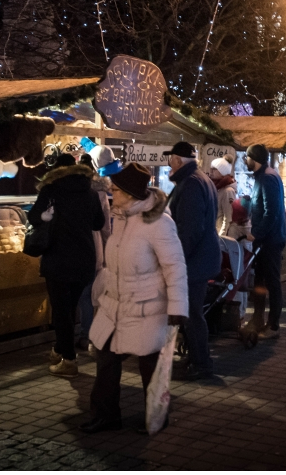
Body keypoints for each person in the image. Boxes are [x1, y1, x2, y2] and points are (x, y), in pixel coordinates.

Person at [79, 163, 188, 434]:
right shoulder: (120, 218)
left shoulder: (159, 223)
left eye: (115, 189)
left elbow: (175, 266)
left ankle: (157, 416)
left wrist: (177, 308)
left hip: (146, 308)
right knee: (105, 359)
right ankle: (105, 415)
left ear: (130, 193)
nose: (111, 193)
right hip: (115, 306)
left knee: (149, 365)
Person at [28, 153, 104, 378]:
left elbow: (33, 217)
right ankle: (59, 349)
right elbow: (98, 223)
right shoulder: (90, 192)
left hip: (58, 258)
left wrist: (47, 217)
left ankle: (69, 360)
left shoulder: (51, 189)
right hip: (84, 259)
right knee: (70, 308)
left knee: (61, 311)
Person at [164, 141, 221, 381]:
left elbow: (189, 230)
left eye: (171, 160)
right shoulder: (200, 179)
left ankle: (202, 363)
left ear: (177, 160)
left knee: (191, 314)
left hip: (194, 261)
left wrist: (177, 260)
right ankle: (197, 359)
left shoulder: (190, 185)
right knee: (191, 313)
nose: (169, 164)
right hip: (201, 258)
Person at [243, 144, 286, 339]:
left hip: (270, 240)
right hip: (266, 239)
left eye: (247, 157)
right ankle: (258, 319)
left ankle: (273, 325)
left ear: (255, 158)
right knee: (260, 280)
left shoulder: (268, 178)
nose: (245, 160)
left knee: (272, 282)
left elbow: (271, 212)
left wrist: (257, 233)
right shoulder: (264, 176)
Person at [75, 152, 113, 354]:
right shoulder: (99, 194)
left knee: (79, 294)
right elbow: (105, 227)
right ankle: (86, 334)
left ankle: (78, 334)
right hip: (94, 247)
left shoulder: (71, 192)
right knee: (88, 295)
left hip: (73, 249)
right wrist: (107, 252)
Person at [209, 155, 237, 237]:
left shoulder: (228, 191)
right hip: (215, 232)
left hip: (220, 235)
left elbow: (228, 218)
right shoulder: (217, 187)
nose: (211, 171)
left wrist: (222, 237)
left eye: (214, 169)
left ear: (222, 172)